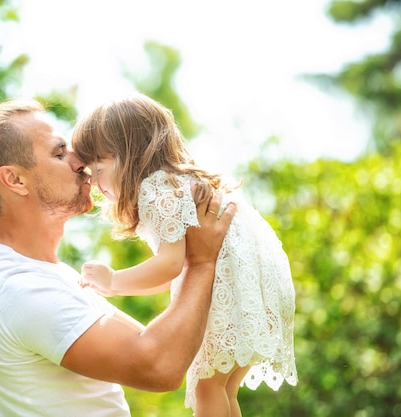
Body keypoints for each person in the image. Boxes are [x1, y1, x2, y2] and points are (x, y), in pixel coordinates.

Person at [0, 97, 236, 417]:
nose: (81, 162)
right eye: (59, 153)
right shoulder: (18, 290)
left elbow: (168, 346)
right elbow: (158, 365)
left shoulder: (50, 278)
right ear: (15, 180)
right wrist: (202, 262)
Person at [71, 93, 298, 417]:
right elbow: (173, 274)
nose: (92, 180)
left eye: (98, 165)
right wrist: (116, 286)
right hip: (258, 286)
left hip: (234, 289)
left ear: (129, 154)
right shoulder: (173, 183)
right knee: (222, 388)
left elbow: (169, 265)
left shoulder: (156, 190)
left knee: (208, 387)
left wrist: (112, 280)